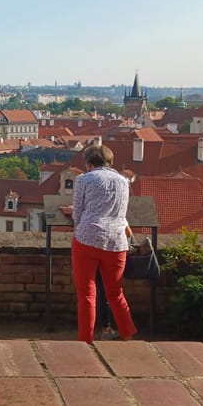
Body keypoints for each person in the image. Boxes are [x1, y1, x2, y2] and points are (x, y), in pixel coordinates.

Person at [59, 144, 137, 344]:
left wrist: (74, 215)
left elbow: (78, 214)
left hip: (88, 238)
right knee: (115, 292)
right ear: (110, 162)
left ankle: (86, 340)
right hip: (116, 241)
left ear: (88, 163)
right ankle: (128, 336)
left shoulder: (84, 179)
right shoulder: (123, 181)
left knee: (86, 293)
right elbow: (119, 211)